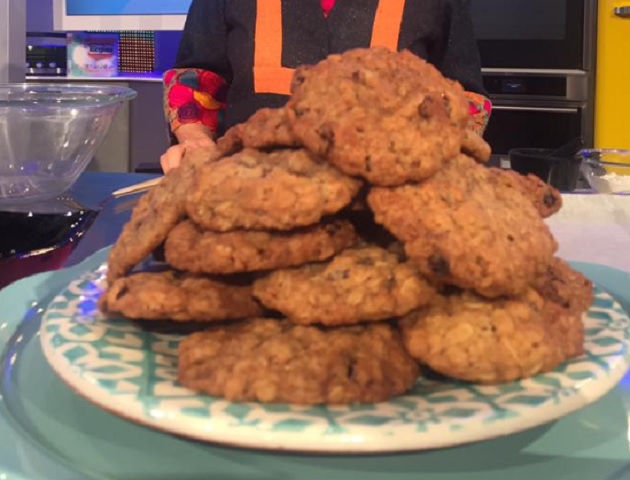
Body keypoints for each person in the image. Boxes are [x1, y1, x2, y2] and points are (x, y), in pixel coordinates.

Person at [160, 0, 492, 173]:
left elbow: (463, 98)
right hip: (246, 184)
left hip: (389, 196)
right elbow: (200, 76)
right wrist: (194, 141)